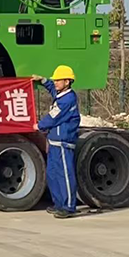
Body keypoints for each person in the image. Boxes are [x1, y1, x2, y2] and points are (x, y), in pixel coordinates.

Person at [32, 65, 80, 219]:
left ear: (67, 81)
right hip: (54, 142)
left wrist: (38, 126)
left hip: (63, 142)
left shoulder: (68, 99)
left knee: (64, 174)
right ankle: (59, 203)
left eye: (58, 80)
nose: (56, 82)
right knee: (52, 174)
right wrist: (44, 80)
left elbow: (53, 117)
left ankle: (68, 206)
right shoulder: (61, 95)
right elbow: (53, 90)